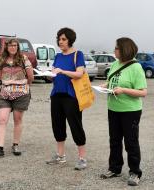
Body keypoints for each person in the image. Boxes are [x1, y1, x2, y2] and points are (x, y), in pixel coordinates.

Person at [100, 37, 147, 186]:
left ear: (124, 49)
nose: (114, 50)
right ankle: (114, 168)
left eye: (117, 48)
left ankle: (135, 172)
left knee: (131, 142)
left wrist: (123, 90)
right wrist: (104, 85)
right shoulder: (115, 64)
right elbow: (112, 80)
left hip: (130, 111)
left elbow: (143, 92)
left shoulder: (136, 67)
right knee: (114, 140)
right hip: (113, 108)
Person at [46, 27, 87, 170]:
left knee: (75, 125)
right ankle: (60, 156)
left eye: (63, 39)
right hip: (56, 94)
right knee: (57, 126)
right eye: (59, 39)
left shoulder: (78, 54)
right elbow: (54, 73)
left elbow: (79, 74)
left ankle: (82, 158)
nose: (60, 41)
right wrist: (49, 75)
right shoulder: (57, 56)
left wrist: (62, 71)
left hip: (71, 96)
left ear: (70, 40)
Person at [0, 39, 34, 159]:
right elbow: (0, 75)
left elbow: (30, 76)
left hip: (21, 94)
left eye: (15, 45)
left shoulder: (24, 59)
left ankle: (15, 145)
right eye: (10, 45)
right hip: (5, 94)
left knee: (17, 120)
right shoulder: (2, 60)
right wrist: (9, 83)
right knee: (2, 119)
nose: (13, 47)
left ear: (18, 47)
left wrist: (22, 85)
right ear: (6, 47)